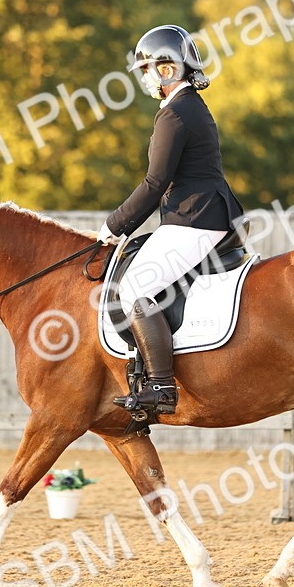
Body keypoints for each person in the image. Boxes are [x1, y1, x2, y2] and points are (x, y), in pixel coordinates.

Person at [97, 24, 246, 417]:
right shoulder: (187, 106)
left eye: (148, 69)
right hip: (199, 211)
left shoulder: (175, 113)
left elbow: (155, 182)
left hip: (194, 217)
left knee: (133, 289)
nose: (146, 78)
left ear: (167, 69)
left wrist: (115, 225)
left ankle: (162, 387)